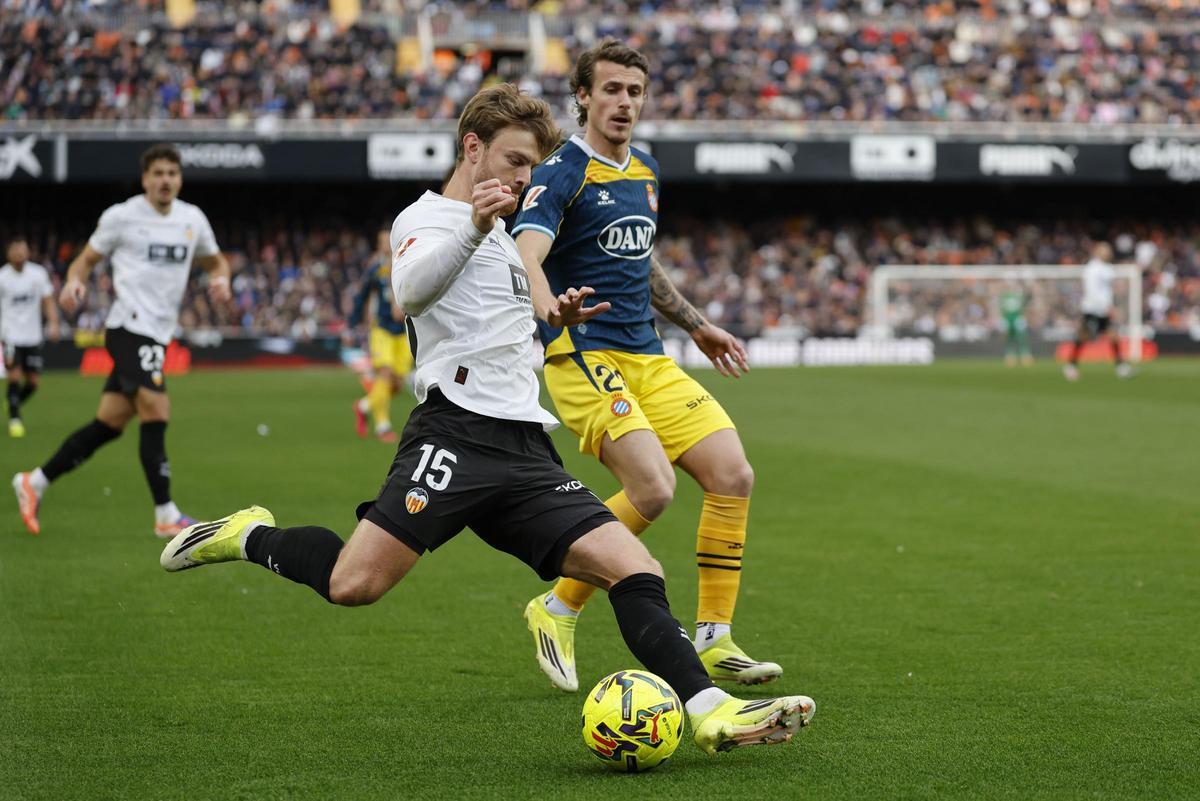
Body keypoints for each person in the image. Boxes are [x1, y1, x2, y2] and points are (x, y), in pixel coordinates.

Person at [158, 84, 814, 756]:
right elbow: (409, 292)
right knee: (353, 584)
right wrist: (474, 224)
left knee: (634, 565)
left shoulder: (502, 236)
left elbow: (505, 321)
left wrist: (553, 315)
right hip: (455, 434)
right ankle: (247, 535)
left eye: (531, 166)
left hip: (524, 445)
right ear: (473, 148)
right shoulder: (429, 218)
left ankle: (709, 711)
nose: (524, 177)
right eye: (514, 160)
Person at [510, 39, 781, 692]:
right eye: (611, 90)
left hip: (648, 356)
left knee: (732, 473)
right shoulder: (563, 170)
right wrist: (549, 308)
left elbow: (643, 260)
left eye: (634, 91)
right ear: (583, 96)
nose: (624, 102)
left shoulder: (645, 170)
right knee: (654, 489)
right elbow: (528, 247)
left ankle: (716, 637)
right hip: (583, 354)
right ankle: (558, 603)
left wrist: (697, 323)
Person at [12, 143, 232, 537]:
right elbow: (85, 260)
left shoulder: (192, 219)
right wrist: (75, 283)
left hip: (158, 334)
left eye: (172, 174)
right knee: (156, 409)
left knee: (109, 422)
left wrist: (221, 279)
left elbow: (216, 261)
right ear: (145, 178)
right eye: (158, 174)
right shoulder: (122, 216)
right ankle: (166, 514)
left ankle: (35, 482)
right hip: (128, 327)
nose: (165, 180)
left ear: (179, 178)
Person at [348, 228, 412, 443]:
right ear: (379, 245)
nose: (388, 244)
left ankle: (364, 405)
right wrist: (351, 325)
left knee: (396, 383)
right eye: (383, 241)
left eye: (390, 240)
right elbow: (362, 296)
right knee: (385, 374)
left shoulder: (407, 263)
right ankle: (383, 427)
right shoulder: (376, 270)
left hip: (403, 332)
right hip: (382, 328)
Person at [0, 236, 59, 438]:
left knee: (33, 383)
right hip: (10, 336)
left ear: (28, 252)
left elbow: (48, 300)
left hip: (33, 337)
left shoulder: (38, 274)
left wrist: (53, 322)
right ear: (9, 254)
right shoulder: (2, 277)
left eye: (22, 250)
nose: (19, 254)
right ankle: (15, 418)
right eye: (15, 251)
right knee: (14, 375)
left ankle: (13, 401)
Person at [1064, 242, 1132, 381]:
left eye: (1108, 250)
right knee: (1084, 337)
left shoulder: (1108, 268)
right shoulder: (1092, 269)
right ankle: (1071, 364)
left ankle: (1121, 366)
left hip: (1105, 309)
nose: (1108, 252)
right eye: (1104, 250)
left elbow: (1110, 287)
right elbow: (1092, 290)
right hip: (1092, 308)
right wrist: (1104, 305)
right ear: (1097, 251)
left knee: (1113, 335)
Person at [999, 281, 1033, 367]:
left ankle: (1025, 355)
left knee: (1021, 337)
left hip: (1017, 318)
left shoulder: (1018, 296)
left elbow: (1022, 308)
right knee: (1009, 338)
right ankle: (1010, 355)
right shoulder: (1004, 296)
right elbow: (1003, 309)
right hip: (1008, 319)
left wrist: (1022, 317)